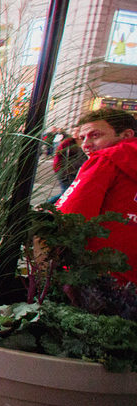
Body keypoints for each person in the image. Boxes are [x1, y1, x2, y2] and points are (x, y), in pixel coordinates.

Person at [55, 109, 137, 284]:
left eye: (95, 135)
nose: (86, 144)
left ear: (126, 134)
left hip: (102, 277)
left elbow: (70, 217)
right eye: (83, 138)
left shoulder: (106, 159)